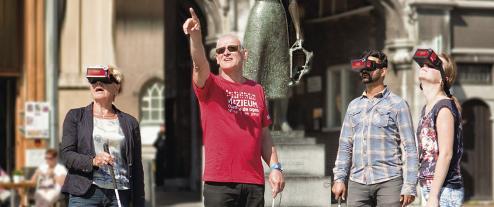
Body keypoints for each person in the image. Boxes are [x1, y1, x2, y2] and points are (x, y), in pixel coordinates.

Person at [183, 8, 285, 207]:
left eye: (232, 48)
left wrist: (275, 167)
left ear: (244, 54)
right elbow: (199, 64)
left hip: (253, 182)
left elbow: (264, 135)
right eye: (220, 50)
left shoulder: (257, 90)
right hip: (219, 184)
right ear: (217, 58)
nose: (226, 52)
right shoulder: (210, 84)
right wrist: (195, 36)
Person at [332, 50, 419, 207]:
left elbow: (411, 148)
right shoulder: (353, 106)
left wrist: (410, 185)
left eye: (370, 66)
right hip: (357, 183)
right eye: (363, 67)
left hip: (389, 182)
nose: (365, 70)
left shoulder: (398, 104)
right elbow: (345, 146)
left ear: (383, 71)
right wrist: (339, 178)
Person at [60, 65, 144, 207]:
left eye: (104, 80)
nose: (98, 84)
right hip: (85, 194)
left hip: (120, 193)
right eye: (93, 81)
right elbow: (67, 155)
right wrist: (93, 161)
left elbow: (136, 166)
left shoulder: (130, 123)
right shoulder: (75, 116)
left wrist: (139, 202)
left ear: (117, 87)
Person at [415, 51, 464, 207]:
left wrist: (434, 196)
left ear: (445, 79)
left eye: (432, 65)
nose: (425, 66)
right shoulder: (427, 108)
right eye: (423, 64)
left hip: (444, 191)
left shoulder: (444, 108)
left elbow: (446, 154)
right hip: (432, 188)